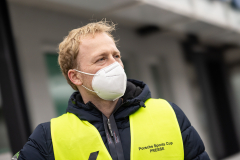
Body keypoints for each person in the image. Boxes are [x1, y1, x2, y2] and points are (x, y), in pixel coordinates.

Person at [16, 20, 210, 160]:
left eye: (116, 56)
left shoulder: (169, 114)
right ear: (75, 76)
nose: (115, 65)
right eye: (101, 59)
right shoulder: (48, 137)